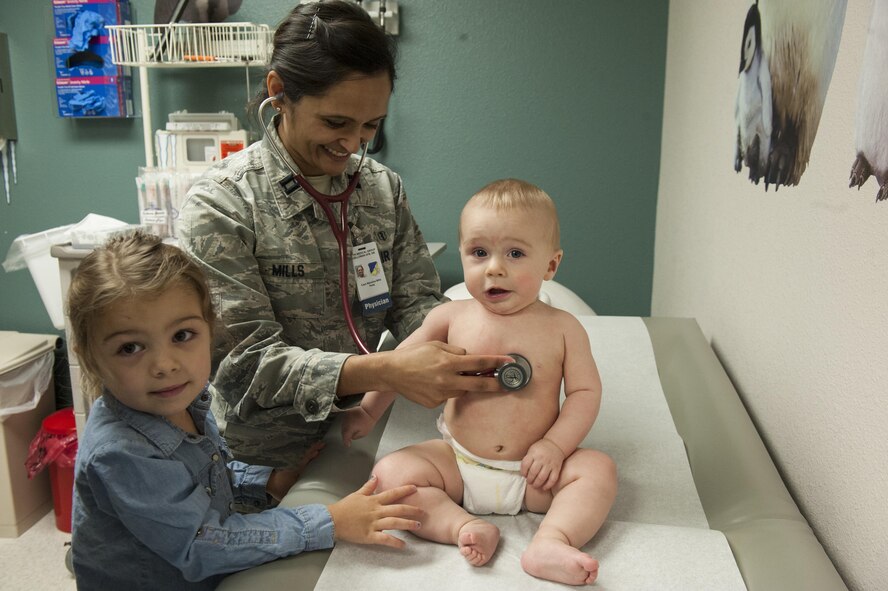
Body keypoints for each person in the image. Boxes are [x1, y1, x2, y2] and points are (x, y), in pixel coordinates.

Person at [177, 0, 511, 470]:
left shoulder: (380, 189)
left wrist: (480, 345)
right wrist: (386, 370)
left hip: (363, 435)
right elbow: (243, 368)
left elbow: (416, 304)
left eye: (370, 125)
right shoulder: (221, 205)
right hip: (261, 461)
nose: (353, 144)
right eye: (336, 122)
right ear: (280, 91)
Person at [67, 230, 424, 589]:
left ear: (210, 328)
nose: (164, 364)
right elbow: (200, 544)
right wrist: (329, 521)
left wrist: (267, 480)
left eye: (181, 336)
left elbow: (203, 474)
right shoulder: (120, 453)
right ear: (91, 359)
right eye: (130, 348)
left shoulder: (184, 399)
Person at [342, 179, 618, 586]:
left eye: (516, 253)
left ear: (551, 265)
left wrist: (555, 447)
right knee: (391, 473)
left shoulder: (564, 328)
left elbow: (585, 393)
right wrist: (367, 410)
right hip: (459, 463)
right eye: (479, 252)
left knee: (598, 471)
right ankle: (462, 527)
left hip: (533, 474)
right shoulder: (449, 317)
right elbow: (399, 365)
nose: (495, 267)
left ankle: (551, 540)